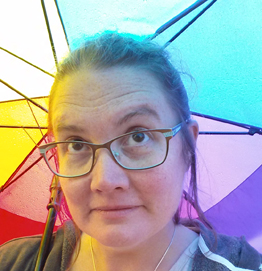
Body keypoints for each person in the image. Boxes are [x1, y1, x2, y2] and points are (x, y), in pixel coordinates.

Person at [0, 32, 261, 271]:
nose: (105, 181)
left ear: (187, 146)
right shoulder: (13, 263)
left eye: (137, 137)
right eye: (77, 144)